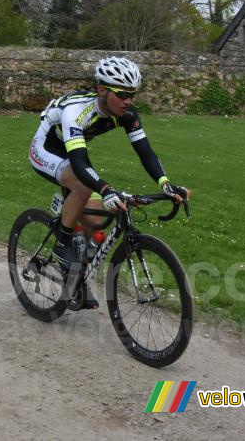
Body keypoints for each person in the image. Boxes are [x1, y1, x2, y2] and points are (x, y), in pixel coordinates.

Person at [28, 56, 189, 309]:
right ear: (102, 90)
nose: (128, 101)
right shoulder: (77, 112)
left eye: (132, 95)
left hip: (72, 152)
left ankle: (75, 283)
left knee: (95, 221)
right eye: (122, 94)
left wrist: (166, 184)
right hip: (46, 149)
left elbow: (145, 151)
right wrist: (105, 189)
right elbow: (80, 163)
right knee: (83, 186)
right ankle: (61, 247)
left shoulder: (126, 113)